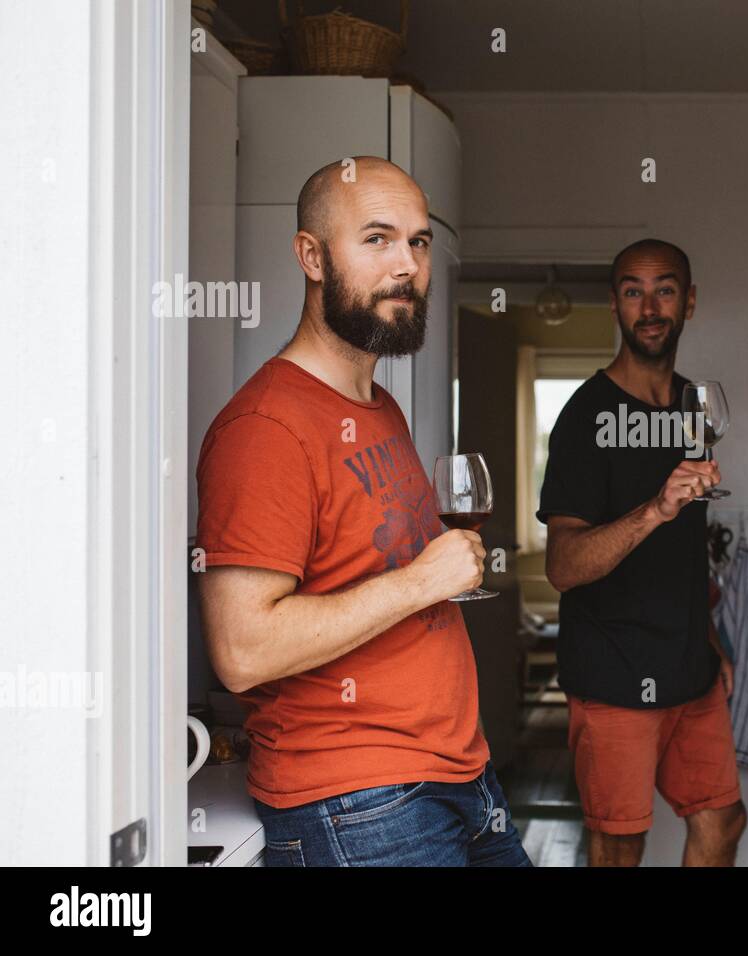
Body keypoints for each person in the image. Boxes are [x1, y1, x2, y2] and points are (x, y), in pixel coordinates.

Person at [195, 156, 530, 867]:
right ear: (311, 257)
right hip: (360, 801)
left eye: (418, 241)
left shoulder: (381, 409)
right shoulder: (266, 427)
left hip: (457, 778)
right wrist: (420, 581)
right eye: (376, 238)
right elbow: (243, 651)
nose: (405, 264)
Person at [538, 238, 747, 866]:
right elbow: (562, 567)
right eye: (633, 290)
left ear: (689, 301)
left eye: (664, 289)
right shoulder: (584, 416)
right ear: (614, 305)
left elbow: (684, 549)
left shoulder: (693, 407)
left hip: (689, 666)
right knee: (619, 844)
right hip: (614, 671)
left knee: (723, 822)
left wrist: (705, 631)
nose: (650, 306)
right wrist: (654, 509)